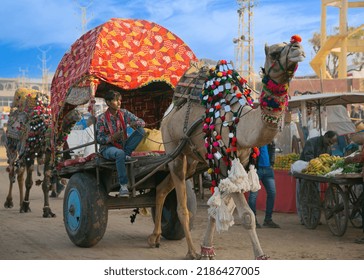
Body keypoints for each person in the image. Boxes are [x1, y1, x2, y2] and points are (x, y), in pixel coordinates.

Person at [96, 90, 145, 198]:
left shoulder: (124, 113)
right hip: (108, 148)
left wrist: (135, 123)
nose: (119, 103)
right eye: (116, 100)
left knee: (141, 131)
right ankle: (123, 186)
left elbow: (142, 122)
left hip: (123, 146)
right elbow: (99, 139)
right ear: (108, 102)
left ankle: (126, 154)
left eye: (120, 100)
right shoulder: (101, 118)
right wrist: (111, 138)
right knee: (119, 154)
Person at [296, 130, 338, 224]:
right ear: (326, 136)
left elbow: (329, 159)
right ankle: (305, 218)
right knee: (305, 196)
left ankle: (315, 218)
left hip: (317, 174)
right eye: (330, 142)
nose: (330, 145)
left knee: (315, 197)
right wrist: (318, 164)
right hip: (306, 171)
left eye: (332, 143)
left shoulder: (328, 147)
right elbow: (308, 157)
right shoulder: (311, 142)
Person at [248, 142, 280, 228]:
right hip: (256, 169)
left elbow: (272, 147)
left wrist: (272, 163)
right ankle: (253, 220)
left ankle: (268, 220)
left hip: (268, 169)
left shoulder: (268, 138)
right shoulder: (254, 137)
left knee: (272, 193)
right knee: (253, 195)